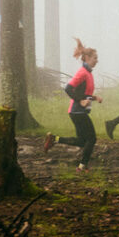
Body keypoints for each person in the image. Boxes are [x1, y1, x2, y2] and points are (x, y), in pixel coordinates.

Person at [44, 38, 103, 172]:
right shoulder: (82, 72)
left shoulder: (88, 73)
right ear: (86, 58)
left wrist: (94, 97)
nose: (97, 60)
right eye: (95, 58)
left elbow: (83, 93)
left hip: (78, 112)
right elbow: (68, 88)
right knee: (92, 139)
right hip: (78, 111)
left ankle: (54, 139)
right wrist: (80, 101)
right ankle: (82, 167)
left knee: (82, 141)